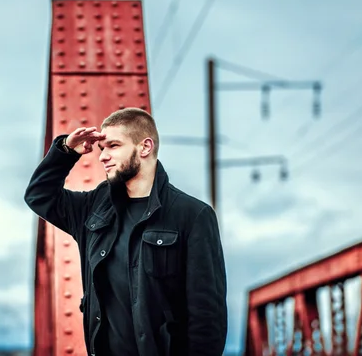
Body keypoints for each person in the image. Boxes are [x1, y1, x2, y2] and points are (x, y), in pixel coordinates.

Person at [24, 107, 227, 356]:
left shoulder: (192, 215)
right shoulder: (93, 209)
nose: (102, 157)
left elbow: (207, 317)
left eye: (114, 146)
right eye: (102, 148)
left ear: (145, 147)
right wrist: (65, 150)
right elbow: (39, 196)